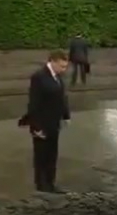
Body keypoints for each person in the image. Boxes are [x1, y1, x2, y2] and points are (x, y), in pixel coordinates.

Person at [18, 49, 70, 193]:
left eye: (65, 66)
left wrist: (66, 116)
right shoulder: (39, 77)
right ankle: (41, 185)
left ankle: (51, 183)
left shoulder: (57, 77)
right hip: (41, 123)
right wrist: (35, 127)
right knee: (41, 156)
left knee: (52, 155)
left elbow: (62, 97)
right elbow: (33, 103)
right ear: (52, 62)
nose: (64, 69)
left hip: (54, 123)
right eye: (61, 66)